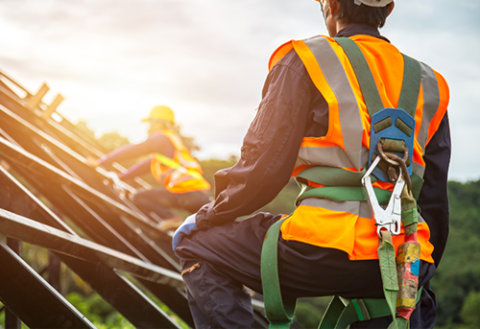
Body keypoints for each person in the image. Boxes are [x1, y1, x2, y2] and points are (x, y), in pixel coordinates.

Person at [173, 0, 450, 328]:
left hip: (321, 248)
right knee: (408, 299)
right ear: (388, 9)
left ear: (331, 5)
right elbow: (433, 201)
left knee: (195, 245)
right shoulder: (431, 84)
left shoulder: (306, 59)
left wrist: (209, 216)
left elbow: (263, 169)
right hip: (405, 256)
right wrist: (420, 266)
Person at [92, 105, 211, 231]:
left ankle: (171, 219)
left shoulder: (161, 137)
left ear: (158, 122)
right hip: (201, 195)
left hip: (187, 193)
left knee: (139, 197)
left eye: (150, 123)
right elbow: (140, 168)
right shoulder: (168, 149)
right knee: (202, 232)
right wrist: (120, 178)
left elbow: (134, 150)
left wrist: (101, 162)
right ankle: (173, 225)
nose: (148, 127)